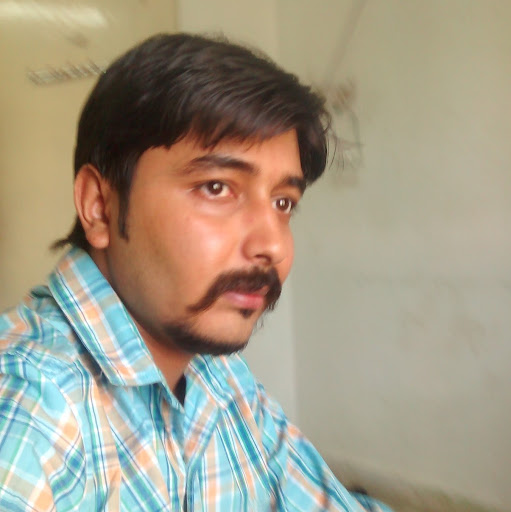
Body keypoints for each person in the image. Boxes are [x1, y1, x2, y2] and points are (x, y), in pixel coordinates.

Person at [0, 33, 392, 511]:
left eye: (283, 202)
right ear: (100, 206)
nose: (272, 245)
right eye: (216, 188)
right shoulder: (31, 407)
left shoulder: (217, 375)